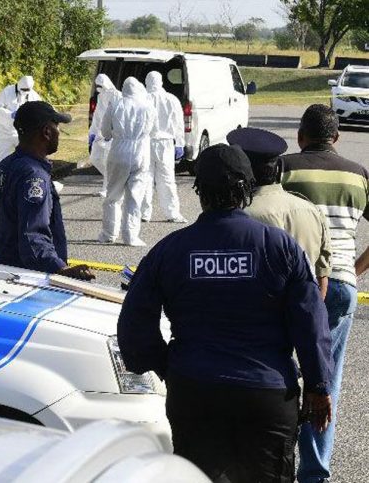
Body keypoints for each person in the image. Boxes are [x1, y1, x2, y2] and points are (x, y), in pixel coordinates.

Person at [117, 143, 333, 483]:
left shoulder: (169, 250)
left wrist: (167, 365)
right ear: (247, 190)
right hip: (267, 395)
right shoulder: (281, 247)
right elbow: (311, 321)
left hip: (194, 392)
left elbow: (133, 326)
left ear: (200, 192)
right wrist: (319, 386)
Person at [280, 104, 369, 483]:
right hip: (341, 286)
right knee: (324, 383)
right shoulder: (360, 175)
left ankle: (275, 461)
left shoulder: (285, 167)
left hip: (290, 285)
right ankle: (314, 474)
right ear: (336, 138)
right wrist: (353, 272)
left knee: (279, 372)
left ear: (300, 136)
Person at [0, 101, 94, 281]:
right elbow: (33, 235)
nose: (58, 132)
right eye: (57, 126)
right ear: (46, 132)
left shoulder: (5, 166)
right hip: (30, 275)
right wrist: (60, 269)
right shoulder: (34, 176)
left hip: (4, 264)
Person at [228, 127, 332, 299]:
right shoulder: (311, 210)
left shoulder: (241, 216)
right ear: (277, 170)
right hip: (300, 314)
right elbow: (322, 278)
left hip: (259, 317)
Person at [98, 76, 156, 246]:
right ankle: (131, 236)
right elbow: (151, 131)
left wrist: (110, 136)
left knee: (113, 195)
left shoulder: (116, 105)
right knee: (135, 197)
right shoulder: (148, 107)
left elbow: (105, 130)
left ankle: (109, 233)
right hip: (141, 152)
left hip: (118, 152)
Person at [140, 71, 187, 223]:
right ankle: (172, 213)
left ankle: (144, 213)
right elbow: (178, 124)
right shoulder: (171, 99)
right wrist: (180, 143)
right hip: (166, 143)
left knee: (145, 178)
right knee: (167, 179)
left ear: (147, 82)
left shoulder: (142, 99)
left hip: (146, 142)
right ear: (161, 81)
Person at [0, 75, 41, 167]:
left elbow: (39, 111)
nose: (25, 91)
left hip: (22, 133)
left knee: (29, 157)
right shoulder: (7, 92)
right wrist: (10, 114)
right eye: (23, 89)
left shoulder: (34, 96)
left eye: (27, 90)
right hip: (4, 131)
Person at [88, 73, 120, 198]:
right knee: (95, 158)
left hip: (112, 134)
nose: (99, 88)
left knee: (108, 160)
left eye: (101, 85)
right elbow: (97, 115)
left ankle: (107, 188)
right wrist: (92, 132)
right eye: (98, 86)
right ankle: (111, 179)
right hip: (100, 133)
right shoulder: (101, 96)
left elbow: (119, 115)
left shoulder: (117, 95)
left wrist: (113, 131)